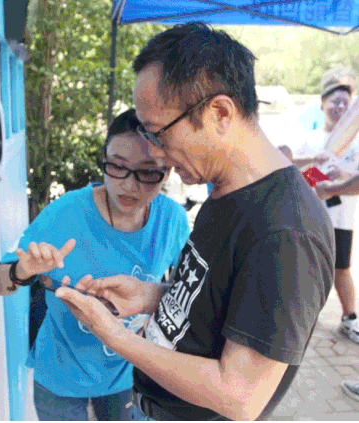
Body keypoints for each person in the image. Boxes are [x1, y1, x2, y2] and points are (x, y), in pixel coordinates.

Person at [56, 22, 334, 421]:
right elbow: (219, 298)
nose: (157, 154)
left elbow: (239, 395)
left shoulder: (286, 233)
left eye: (159, 134)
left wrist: (113, 335)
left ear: (219, 112)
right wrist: (152, 295)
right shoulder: (226, 187)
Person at [0, 109, 190, 421]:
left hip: (131, 369)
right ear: (104, 159)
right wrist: (22, 270)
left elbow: (188, 296)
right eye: (117, 167)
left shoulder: (172, 221)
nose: (129, 185)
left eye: (148, 172)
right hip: (60, 377)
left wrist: (151, 302)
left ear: (168, 172)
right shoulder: (65, 213)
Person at [297, 67, 359, 344]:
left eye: (346, 103)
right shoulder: (310, 141)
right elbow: (298, 179)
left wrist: (342, 176)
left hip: (342, 218)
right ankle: (301, 317)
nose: (340, 107)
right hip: (311, 217)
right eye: (335, 101)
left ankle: (349, 318)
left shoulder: (355, 143)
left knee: (341, 268)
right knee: (307, 266)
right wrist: (317, 175)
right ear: (322, 103)